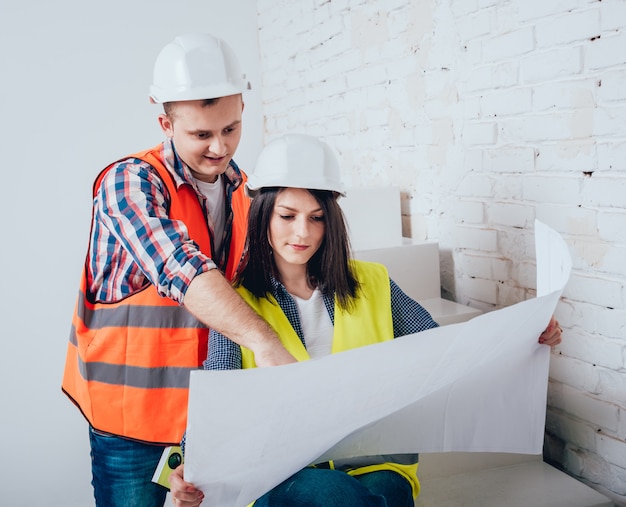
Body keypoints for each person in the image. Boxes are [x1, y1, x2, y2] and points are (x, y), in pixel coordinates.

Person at [168, 134, 564, 507]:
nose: (302, 232)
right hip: (282, 471)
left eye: (317, 217)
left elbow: (442, 350)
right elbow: (217, 389)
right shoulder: (236, 303)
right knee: (329, 494)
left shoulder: (372, 282)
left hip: (375, 459)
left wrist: (525, 335)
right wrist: (190, 461)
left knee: (384, 491)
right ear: (262, 215)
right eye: (287, 216)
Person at [61, 33, 295, 507]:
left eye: (230, 129)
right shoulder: (128, 183)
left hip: (205, 420)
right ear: (166, 122)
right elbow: (181, 268)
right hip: (130, 425)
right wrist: (265, 342)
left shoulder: (243, 190)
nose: (219, 147)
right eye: (201, 134)